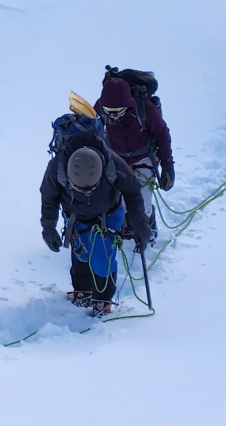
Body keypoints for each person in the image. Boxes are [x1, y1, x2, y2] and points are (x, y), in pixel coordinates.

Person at [40, 123, 153, 314]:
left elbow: (132, 191)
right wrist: (48, 228)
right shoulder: (56, 167)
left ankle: (102, 300)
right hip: (75, 217)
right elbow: (49, 198)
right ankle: (82, 291)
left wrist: (140, 224)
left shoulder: (113, 164)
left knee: (103, 259)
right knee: (80, 253)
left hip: (107, 215)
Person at [96, 70, 175, 241]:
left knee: (143, 201)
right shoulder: (100, 108)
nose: (113, 116)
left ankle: (148, 225)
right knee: (119, 200)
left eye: (118, 111)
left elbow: (162, 134)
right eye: (109, 111)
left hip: (143, 158)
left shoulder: (145, 109)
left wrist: (167, 165)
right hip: (116, 159)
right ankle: (127, 227)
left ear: (129, 104)